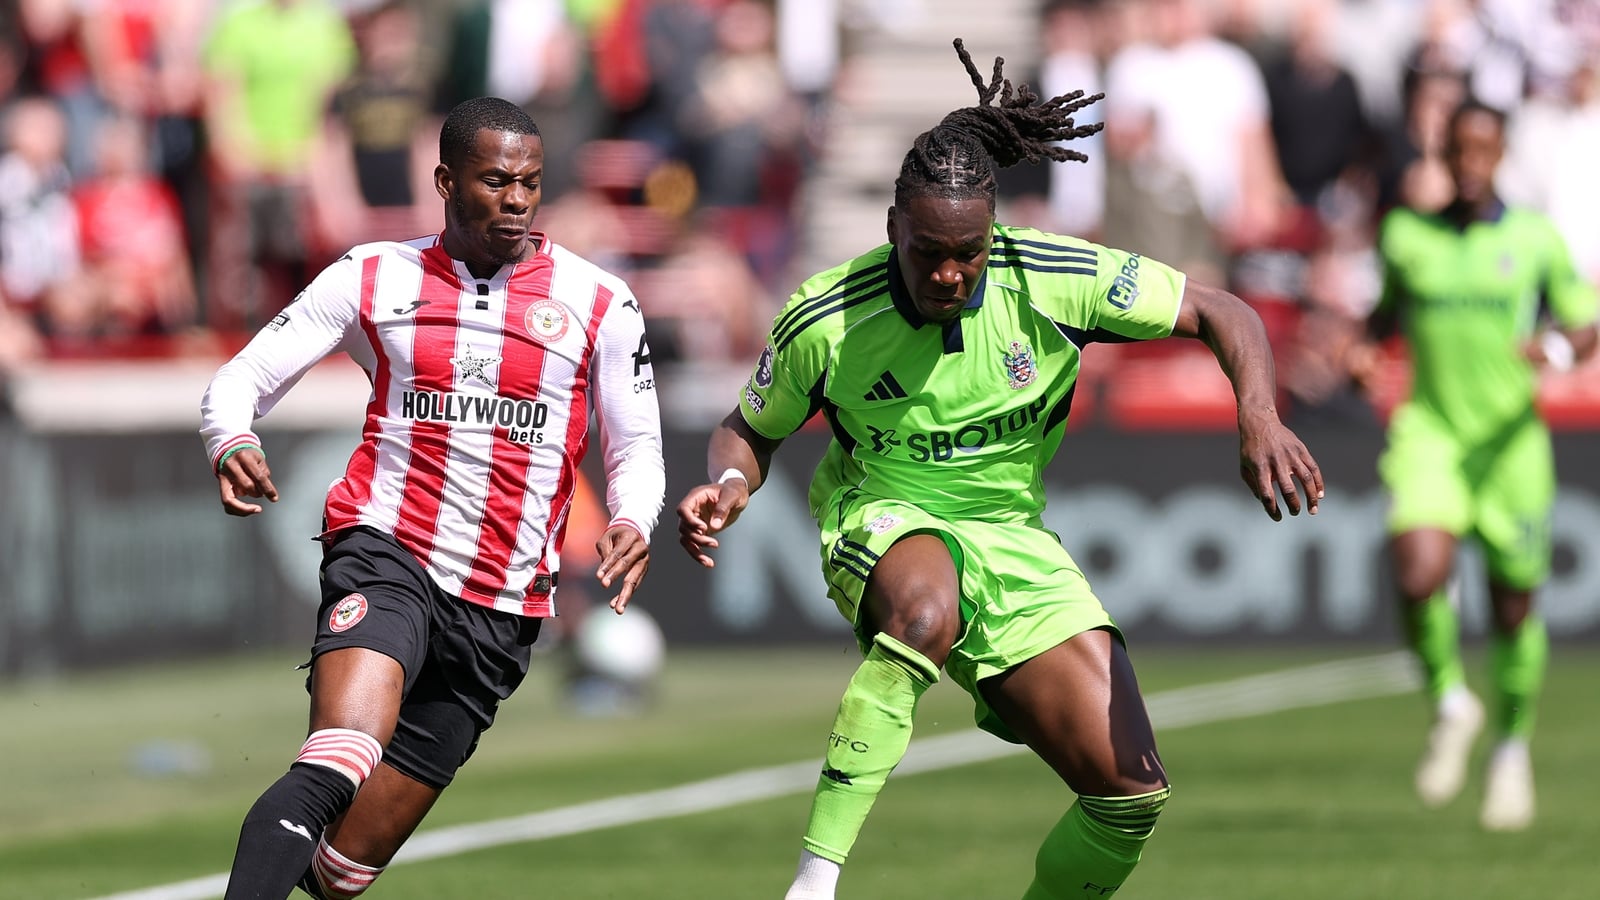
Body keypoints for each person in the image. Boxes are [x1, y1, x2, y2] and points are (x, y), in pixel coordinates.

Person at [676, 39, 1324, 900]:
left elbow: (1220, 308)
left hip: (1013, 537)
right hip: (884, 509)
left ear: (994, 232)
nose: (950, 273)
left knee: (1128, 797)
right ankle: (813, 882)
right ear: (893, 229)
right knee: (923, 612)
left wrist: (1259, 415)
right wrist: (729, 486)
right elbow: (747, 430)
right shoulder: (826, 317)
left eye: (970, 252)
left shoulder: (1051, 278)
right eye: (928, 252)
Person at [199, 96, 665, 899]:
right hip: (389, 551)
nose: (516, 200)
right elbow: (242, 378)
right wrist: (231, 437)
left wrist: (632, 516)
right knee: (338, 757)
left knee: (340, 874)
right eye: (495, 182)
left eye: (529, 182)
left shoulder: (599, 301)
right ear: (447, 182)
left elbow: (638, 446)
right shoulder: (375, 274)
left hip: (503, 602)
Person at [1353, 99, 1598, 833]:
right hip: (1431, 433)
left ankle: (1512, 747)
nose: (1470, 162)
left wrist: (1557, 349)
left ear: (1501, 155)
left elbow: (1584, 323)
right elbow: (1381, 317)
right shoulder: (1407, 236)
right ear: (1444, 154)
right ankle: (1453, 703)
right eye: (1458, 149)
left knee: (1513, 605)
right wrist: (1361, 351)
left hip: (1510, 443)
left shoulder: (1533, 238)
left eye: (1483, 149)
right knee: (1417, 573)